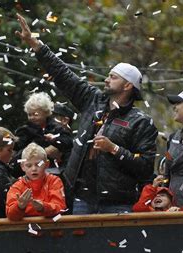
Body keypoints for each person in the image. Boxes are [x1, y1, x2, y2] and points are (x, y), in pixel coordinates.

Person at [15, 14, 158, 214]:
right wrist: (35, 44)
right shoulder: (92, 100)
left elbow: (145, 167)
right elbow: (63, 74)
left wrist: (114, 149)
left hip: (117, 203)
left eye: (113, 77)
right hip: (81, 197)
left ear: (127, 85)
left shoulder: (141, 122)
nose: (106, 80)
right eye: (108, 75)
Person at [13, 92, 73, 174]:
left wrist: (55, 139)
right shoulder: (25, 131)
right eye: (29, 115)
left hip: (56, 172)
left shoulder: (56, 128)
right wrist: (41, 151)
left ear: (46, 112)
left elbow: (68, 142)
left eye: (35, 114)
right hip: (32, 172)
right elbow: (17, 151)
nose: (32, 118)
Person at [6, 143, 66, 221]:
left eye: (38, 164)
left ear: (47, 164)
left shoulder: (54, 181)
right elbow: (11, 216)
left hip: (51, 229)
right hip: (25, 230)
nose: (34, 169)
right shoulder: (17, 186)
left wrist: (43, 207)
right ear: (22, 167)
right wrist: (19, 206)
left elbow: (60, 208)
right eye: (29, 165)